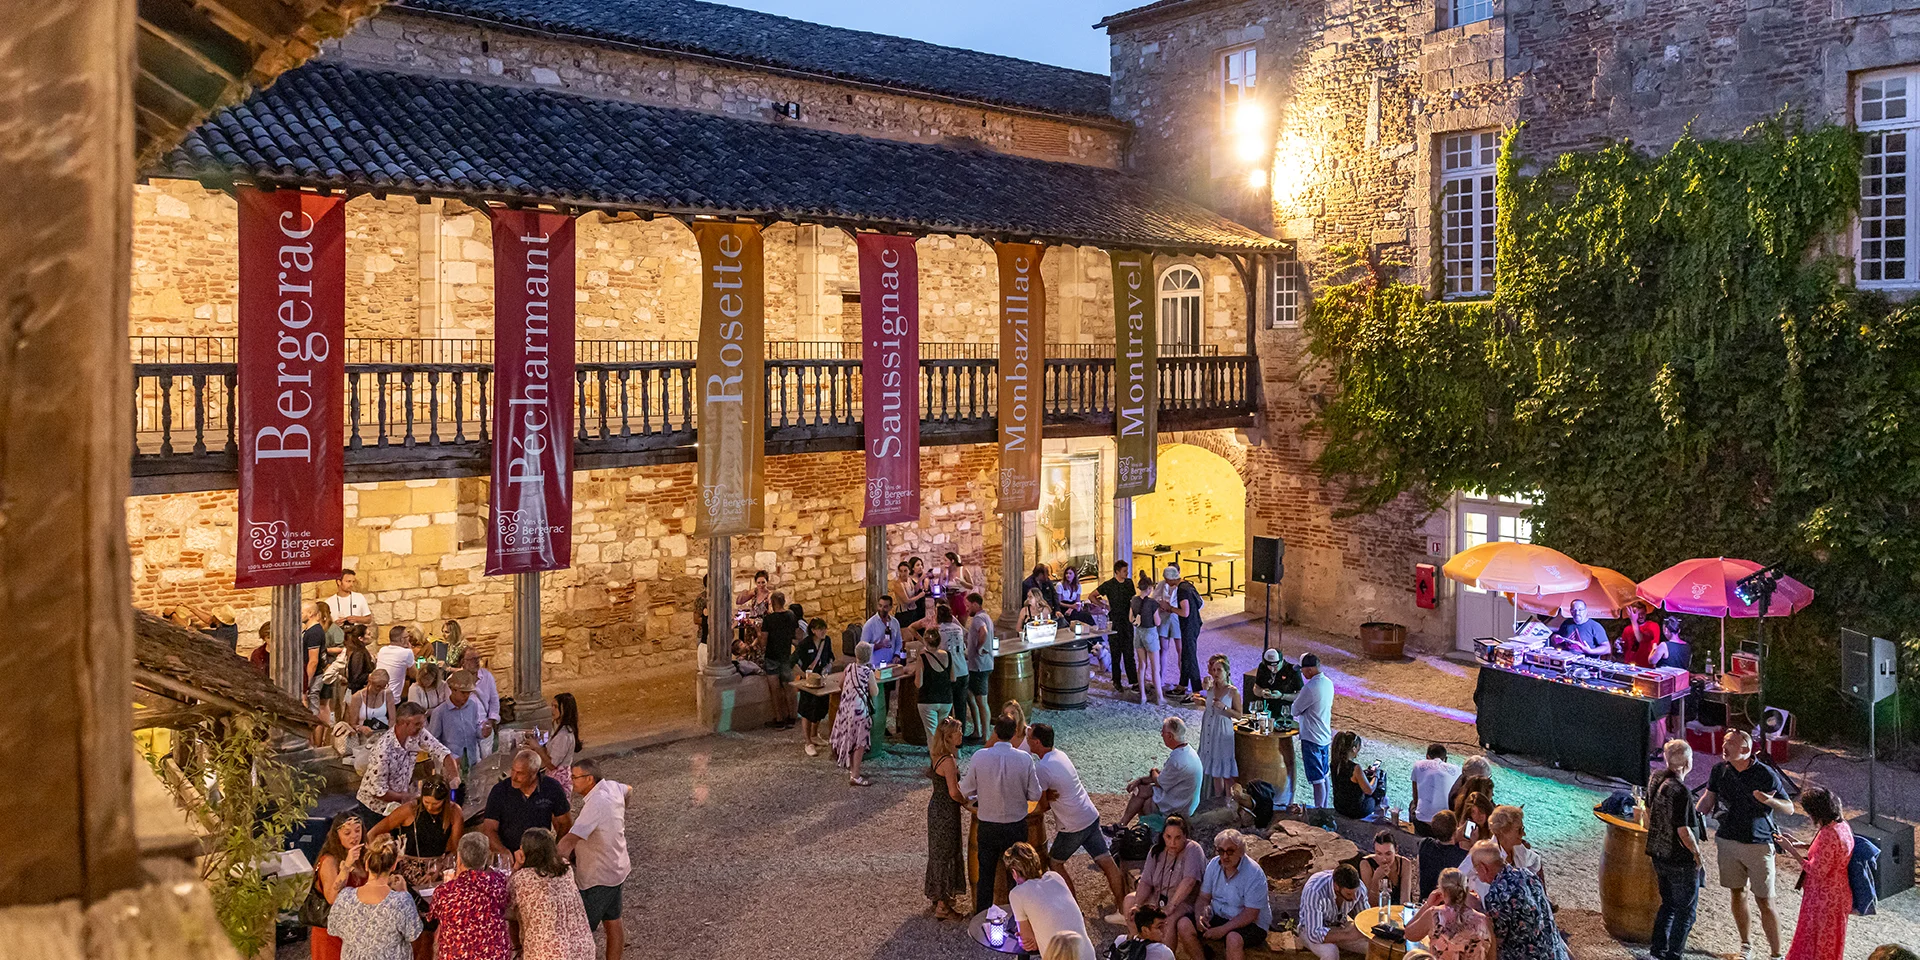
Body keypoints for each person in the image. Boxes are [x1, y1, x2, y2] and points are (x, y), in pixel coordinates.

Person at [1698, 729, 1793, 960]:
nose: (1724, 746)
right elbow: (1708, 800)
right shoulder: (1719, 770)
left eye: (1730, 742)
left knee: (1765, 901)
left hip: (1758, 845)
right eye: (1724, 741)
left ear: (1745, 749)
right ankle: (1745, 946)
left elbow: (1789, 808)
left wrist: (1769, 800)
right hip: (1728, 840)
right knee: (1737, 893)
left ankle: (1776, 954)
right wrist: (1689, 815)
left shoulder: (1766, 774)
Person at [1028, 723, 1128, 913]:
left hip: (1073, 825)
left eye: (1029, 738)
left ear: (1037, 742)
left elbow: (1042, 807)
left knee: (1055, 862)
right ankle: (1123, 909)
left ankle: (1072, 909)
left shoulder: (1042, 767)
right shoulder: (1060, 755)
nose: (1026, 740)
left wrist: (1046, 797)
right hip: (1089, 815)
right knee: (1106, 861)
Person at [963, 710, 1044, 913]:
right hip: (1016, 826)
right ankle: (1018, 917)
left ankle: (981, 917)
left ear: (995, 732)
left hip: (988, 825)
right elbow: (1035, 794)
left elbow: (966, 789)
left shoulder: (980, 757)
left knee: (986, 876)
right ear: (1016, 731)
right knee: (1017, 876)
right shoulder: (1024, 759)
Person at [558, 759, 630, 960]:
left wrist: (549, 861)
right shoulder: (612, 787)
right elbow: (629, 790)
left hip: (598, 877)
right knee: (613, 921)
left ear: (589, 779)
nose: (572, 782)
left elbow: (570, 839)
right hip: (617, 868)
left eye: (575, 777)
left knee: (580, 931)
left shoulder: (595, 804)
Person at [1644, 739, 1705, 960]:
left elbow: (1648, 808)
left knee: (1668, 905)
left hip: (1658, 853)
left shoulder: (1656, 778)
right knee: (1685, 912)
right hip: (1679, 860)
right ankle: (1673, 955)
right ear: (1688, 762)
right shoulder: (1681, 792)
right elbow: (1684, 831)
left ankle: (1657, 951)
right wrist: (1697, 854)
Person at [1777, 785, 1854, 960]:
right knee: (1830, 941)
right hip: (1838, 893)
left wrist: (1791, 850)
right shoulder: (1842, 825)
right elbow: (1827, 853)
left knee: (1815, 941)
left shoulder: (1828, 833)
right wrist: (1800, 844)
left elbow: (1816, 870)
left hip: (1824, 898)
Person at [356, 701, 460, 820]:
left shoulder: (417, 733)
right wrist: (409, 797)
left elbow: (441, 751)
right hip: (374, 807)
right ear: (403, 723)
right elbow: (379, 792)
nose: (421, 727)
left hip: (398, 801)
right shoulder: (384, 749)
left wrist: (454, 776)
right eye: (417, 724)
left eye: (422, 723)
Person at [1179, 829, 1272, 960]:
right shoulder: (1213, 865)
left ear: (1241, 851)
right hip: (1220, 915)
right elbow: (1204, 897)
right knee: (1184, 924)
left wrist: (1222, 930)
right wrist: (1199, 916)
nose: (1225, 856)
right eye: (1221, 851)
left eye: (1230, 851)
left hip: (1250, 923)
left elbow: (1251, 913)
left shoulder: (1254, 873)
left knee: (1233, 939)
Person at [326, 835, 420, 960]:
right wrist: (404, 891)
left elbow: (333, 929)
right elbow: (413, 934)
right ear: (393, 866)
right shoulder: (401, 901)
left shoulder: (345, 897)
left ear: (366, 864)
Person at [507, 828, 595, 960]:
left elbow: (505, 900)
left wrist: (516, 866)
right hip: (582, 948)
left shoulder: (522, 879)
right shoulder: (566, 869)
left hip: (547, 952)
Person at [1475, 839, 1569, 960]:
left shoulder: (1496, 895)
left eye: (1476, 870)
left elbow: (1494, 942)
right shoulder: (1528, 874)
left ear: (1483, 868)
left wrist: (1479, 911)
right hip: (1555, 953)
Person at [1121, 815, 1203, 948]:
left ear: (1185, 836)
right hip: (1159, 897)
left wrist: (1171, 906)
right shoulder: (1156, 850)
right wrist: (1138, 904)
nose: (1172, 843)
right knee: (1130, 901)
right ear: (1163, 836)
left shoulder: (1193, 849)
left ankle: (1165, 955)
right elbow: (1146, 881)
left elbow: (1189, 881)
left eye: (1178, 838)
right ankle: (1139, 948)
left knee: (1168, 920)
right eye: (1168, 837)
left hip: (1183, 902)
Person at [427, 833, 509, 960]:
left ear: (459, 858)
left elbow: (432, 915)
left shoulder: (444, 891)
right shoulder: (498, 884)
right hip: (494, 955)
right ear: (486, 859)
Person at [1005, 843, 1092, 959]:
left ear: (1014, 873)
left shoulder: (1017, 894)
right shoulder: (1055, 876)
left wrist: (1030, 938)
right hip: (1088, 954)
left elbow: (1027, 943)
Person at [480, 749, 573, 856]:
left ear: (534, 773)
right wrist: (503, 852)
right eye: (513, 770)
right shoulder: (500, 790)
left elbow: (565, 823)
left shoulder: (551, 788)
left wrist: (555, 850)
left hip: (540, 853)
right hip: (509, 852)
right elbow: (489, 829)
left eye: (520, 773)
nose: (514, 777)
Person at [1115, 716, 1203, 825]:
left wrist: (1153, 771)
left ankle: (1127, 826)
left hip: (1178, 806)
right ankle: (1123, 825)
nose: (1161, 734)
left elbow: (1159, 781)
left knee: (1143, 798)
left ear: (1170, 736)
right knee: (1144, 791)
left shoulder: (1177, 760)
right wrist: (1141, 780)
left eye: (1163, 732)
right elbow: (1166, 777)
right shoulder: (1188, 752)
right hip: (1185, 801)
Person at [924, 716, 969, 919]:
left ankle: (939, 895)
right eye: (958, 732)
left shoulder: (937, 756)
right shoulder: (949, 761)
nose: (961, 734)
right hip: (946, 812)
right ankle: (943, 905)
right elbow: (953, 792)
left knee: (938, 852)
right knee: (947, 853)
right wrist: (966, 802)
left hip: (936, 808)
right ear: (949, 737)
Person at [309, 812, 368, 960]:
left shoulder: (363, 855)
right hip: (331, 933)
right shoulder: (329, 861)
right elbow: (332, 898)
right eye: (347, 833)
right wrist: (346, 868)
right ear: (337, 835)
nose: (354, 836)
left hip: (355, 929)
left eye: (357, 830)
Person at [1403, 867, 1491, 960]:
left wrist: (1428, 905)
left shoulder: (1435, 915)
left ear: (1442, 891)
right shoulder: (1483, 920)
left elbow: (1409, 934)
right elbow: (1491, 956)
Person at [369, 777, 463, 860]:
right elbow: (373, 833)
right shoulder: (409, 810)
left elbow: (455, 848)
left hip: (438, 864)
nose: (430, 807)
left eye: (435, 804)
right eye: (426, 802)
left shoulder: (454, 812)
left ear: (445, 800)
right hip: (408, 865)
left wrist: (442, 864)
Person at [905, 608, 958, 746]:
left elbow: (918, 683)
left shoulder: (922, 657)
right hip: (945, 699)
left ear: (926, 642)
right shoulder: (948, 655)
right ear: (939, 641)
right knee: (943, 733)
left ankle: (936, 763)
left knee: (932, 735)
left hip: (928, 700)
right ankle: (945, 759)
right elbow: (953, 678)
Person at [429, 670, 488, 790]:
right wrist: (451, 757)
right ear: (453, 690)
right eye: (463, 693)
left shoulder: (472, 705)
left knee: (474, 793)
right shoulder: (440, 712)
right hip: (452, 768)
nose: (466, 696)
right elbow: (432, 744)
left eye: (469, 693)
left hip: (472, 760)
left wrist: (482, 732)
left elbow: (475, 729)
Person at [831, 640, 879, 785]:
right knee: (860, 742)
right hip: (859, 710)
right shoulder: (867, 672)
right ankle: (856, 775)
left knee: (850, 737)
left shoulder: (849, 668)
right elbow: (874, 692)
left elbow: (840, 685)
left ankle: (852, 768)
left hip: (845, 709)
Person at [1296, 862, 1368, 959]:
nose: (1355, 897)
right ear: (1336, 887)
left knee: (1373, 946)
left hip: (1341, 924)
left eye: (1355, 893)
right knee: (1330, 953)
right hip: (1311, 929)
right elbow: (1314, 934)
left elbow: (1365, 918)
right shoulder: (1315, 891)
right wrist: (1348, 934)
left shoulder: (1359, 888)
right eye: (1349, 894)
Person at [1292, 653, 1336, 810]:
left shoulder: (1310, 688)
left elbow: (1295, 710)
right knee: (1324, 775)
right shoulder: (1328, 683)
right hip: (1324, 735)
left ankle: (1319, 811)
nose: (1302, 674)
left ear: (1309, 669)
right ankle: (1324, 808)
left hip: (1311, 737)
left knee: (1317, 780)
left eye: (1303, 670)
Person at [1196, 654, 1243, 796]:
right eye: (1214, 670)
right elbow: (1208, 702)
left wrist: (1224, 708)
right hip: (1209, 726)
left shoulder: (1232, 691)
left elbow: (1239, 715)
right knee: (1215, 771)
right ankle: (1217, 800)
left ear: (1227, 672)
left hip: (1222, 729)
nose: (1215, 673)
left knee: (1225, 771)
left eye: (1219, 670)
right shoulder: (1210, 687)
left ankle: (1230, 800)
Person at [755, 591, 799, 728]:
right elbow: (797, 636)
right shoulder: (791, 616)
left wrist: (757, 631)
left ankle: (779, 719)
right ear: (784, 601)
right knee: (789, 688)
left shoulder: (769, 619)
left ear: (772, 603)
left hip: (772, 657)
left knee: (775, 690)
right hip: (786, 656)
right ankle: (792, 717)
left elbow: (763, 642)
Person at [525, 691, 581, 794]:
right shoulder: (557, 726)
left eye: (556, 707)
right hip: (553, 777)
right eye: (552, 706)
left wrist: (537, 747)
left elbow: (552, 764)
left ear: (564, 710)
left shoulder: (563, 736)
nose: (552, 709)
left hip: (559, 781)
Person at [795, 616, 835, 756]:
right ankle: (808, 742)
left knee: (820, 708)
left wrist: (828, 666)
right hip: (808, 682)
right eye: (820, 629)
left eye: (824, 628)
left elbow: (830, 656)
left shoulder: (827, 641)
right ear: (813, 630)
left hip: (822, 680)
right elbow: (793, 661)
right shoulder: (805, 644)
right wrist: (804, 675)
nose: (823, 631)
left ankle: (814, 735)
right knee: (807, 710)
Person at [1096, 560, 1139, 693]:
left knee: (1129, 652)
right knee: (1116, 653)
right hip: (1115, 621)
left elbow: (1132, 600)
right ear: (1117, 571)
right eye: (1124, 571)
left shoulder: (1129, 583)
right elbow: (1093, 596)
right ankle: (1116, 680)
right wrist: (1104, 606)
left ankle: (1134, 681)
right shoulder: (1109, 585)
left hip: (1127, 621)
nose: (1127, 573)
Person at [1165, 566, 1205, 700]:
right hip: (1195, 623)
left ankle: (1197, 690)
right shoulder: (1188, 585)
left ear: (1170, 579)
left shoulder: (1182, 590)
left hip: (1189, 626)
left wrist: (1170, 608)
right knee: (1186, 656)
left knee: (1190, 657)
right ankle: (1182, 685)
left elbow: (1184, 612)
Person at [1332, 731, 1388, 821]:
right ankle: (1379, 818)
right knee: (1379, 789)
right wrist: (1376, 775)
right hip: (1356, 810)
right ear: (1354, 749)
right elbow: (1369, 790)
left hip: (1339, 806)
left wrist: (1364, 773)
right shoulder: (1355, 768)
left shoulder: (1335, 763)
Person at [1411, 744, 1461, 838]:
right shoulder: (1457, 770)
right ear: (1445, 759)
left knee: (1412, 805)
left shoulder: (1418, 765)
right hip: (1446, 823)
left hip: (1423, 823)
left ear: (1427, 756)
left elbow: (1415, 797)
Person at [964, 592, 995, 743]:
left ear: (976, 605)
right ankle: (977, 731)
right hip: (979, 665)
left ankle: (986, 735)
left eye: (968, 606)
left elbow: (984, 632)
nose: (966, 609)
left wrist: (978, 647)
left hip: (979, 666)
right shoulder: (987, 617)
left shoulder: (978, 619)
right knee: (970, 696)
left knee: (982, 701)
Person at [1130, 571, 1165, 705]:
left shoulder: (1133, 600)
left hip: (1138, 633)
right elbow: (1157, 622)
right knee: (1155, 668)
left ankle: (1143, 696)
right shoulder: (1152, 603)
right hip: (1150, 633)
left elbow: (1130, 618)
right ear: (1150, 588)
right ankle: (1159, 697)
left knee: (1142, 666)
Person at [1417, 810, 1470, 899]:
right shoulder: (1461, 856)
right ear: (1455, 830)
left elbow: (1440, 845)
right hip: (1446, 903)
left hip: (1425, 898)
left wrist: (1454, 836)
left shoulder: (1425, 844)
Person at [456, 647, 500, 743]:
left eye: (478, 658)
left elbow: (494, 700)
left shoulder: (487, 676)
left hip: (484, 725)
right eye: (472, 659)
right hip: (466, 729)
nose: (476, 662)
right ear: (463, 661)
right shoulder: (454, 680)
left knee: (487, 757)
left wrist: (491, 721)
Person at [1361, 829, 1415, 907]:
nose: (1384, 859)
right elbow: (1370, 905)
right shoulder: (1366, 864)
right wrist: (1376, 879)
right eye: (1379, 853)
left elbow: (1405, 900)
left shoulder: (1404, 864)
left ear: (1396, 850)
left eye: (1388, 854)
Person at [1251, 646, 1302, 717]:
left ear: (1282, 661)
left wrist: (1282, 696)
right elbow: (1256, 688)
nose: (1272, 670)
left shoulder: (1292, 671)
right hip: (1265, 710)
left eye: (1275, 666)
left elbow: (1301, 695)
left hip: (1283, 712)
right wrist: (1262, 692)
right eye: (1269, 666)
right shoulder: (1262, 667)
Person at [1616, 600, 1663, 666]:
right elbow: (1625, 648)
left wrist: (1633, 620)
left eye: (1643, 613)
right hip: (1629, 665)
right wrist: (1619, 646)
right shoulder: (1627, 629)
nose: (1640, 616)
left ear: (1646, 612)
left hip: (1646, 666)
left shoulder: (1652, 626)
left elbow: (1640, 639)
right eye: (1637, 614)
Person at [374, 626, 414, 705]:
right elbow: (414, 675)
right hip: (393, 699)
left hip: (377, 695)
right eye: (407, 636)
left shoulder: (382, 650)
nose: (409, 638)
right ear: (402, 639)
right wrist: (409, 649)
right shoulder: (406, 653)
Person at [861, 595, 904, 664]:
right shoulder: (870, 624)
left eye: (885, 607)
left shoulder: (895, 622)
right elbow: (862, 647)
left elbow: (898, 642)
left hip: (891, 663)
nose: (882, 609)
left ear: (890, 607)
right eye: (880, 606)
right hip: (876, 664)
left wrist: (897, 655)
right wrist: (879, 645)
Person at [303, 602, 333, 686]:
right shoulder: (310, 630)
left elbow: (313, 660)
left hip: (313, 676)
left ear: (310, 613)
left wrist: (306, 683)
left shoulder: (314, 633)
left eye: (302, 613)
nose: (299, 615)